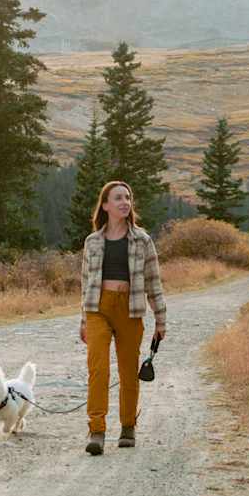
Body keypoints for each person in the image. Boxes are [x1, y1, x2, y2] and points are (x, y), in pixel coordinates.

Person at [78, 180, 167, 455]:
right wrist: (83, 319)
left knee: (129, 372)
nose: (124, 202)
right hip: (98, 309)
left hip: (130, 309)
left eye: (127, 197)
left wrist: (160, 320)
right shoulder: (92, 242)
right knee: (98, 370)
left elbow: (154, 281)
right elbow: (85, 282)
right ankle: (97, 430)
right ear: (105, 205)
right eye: (118, 198)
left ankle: (128, 426)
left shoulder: (142, 240)